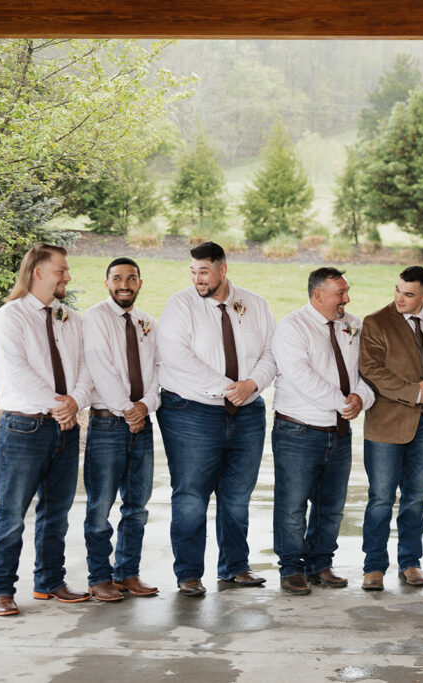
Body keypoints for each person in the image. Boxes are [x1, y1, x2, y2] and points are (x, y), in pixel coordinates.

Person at [157, 242, 276, 597]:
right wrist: (229, 388)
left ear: (223, 270)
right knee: (192, 495)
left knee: (238, 494)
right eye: (193, 272)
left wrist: (252, 385)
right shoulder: (181, 305)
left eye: (204, 271)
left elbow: (273, 351)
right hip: (192, 413)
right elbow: (177, 357)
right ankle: (189, 573)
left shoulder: (255, 304)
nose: (197, 279)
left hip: (248, 412)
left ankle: (235, 566)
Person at [0, 243, 93, 616]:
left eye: (66, 270)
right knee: (12, 512)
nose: (67, 276)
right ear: (38, 273)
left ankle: (50, 581)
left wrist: (74, 403)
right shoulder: (10, 317)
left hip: (64, 429)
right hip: (23, 430)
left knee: (57, 512)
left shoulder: (71, 319)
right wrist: (59, 405)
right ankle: (1, 589)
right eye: (61, 270)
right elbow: (16, 372)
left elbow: (85, 369)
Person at [272, 267, 375, 595]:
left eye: (346, 291)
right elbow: (300, 375)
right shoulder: (292, 327)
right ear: (318, 295)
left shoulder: (352, 324)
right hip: (298, 431)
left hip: (339, 430)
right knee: (293, 503)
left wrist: (362, 398)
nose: (347, 298)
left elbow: (364, 370)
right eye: (339, 293)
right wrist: (342, 401)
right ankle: (291, 568)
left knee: (332, 504)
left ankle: (320, 563)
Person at [358, 266, 423, 592]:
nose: (400, 298)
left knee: (416, 498)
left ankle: (411, 562)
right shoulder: (376, 322)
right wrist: (413, 392)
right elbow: (370, 369)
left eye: (409, 294)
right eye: (397, 290)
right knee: (381, 498)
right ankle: (373, 566)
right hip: (385, 426)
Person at [81, 257, 160, 602]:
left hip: (142, 424)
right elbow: (101, 369)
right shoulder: (95, 318)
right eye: (117, 278)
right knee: (100, 505)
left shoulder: (147, 323)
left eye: (131, 278)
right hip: (107, 425)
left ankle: (127, 572)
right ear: (107, 283)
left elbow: (160, 371)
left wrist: (146, 406)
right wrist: (129, 411)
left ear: (140, 283)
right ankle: (99, 577)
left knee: (138, 506)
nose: (124, 284)